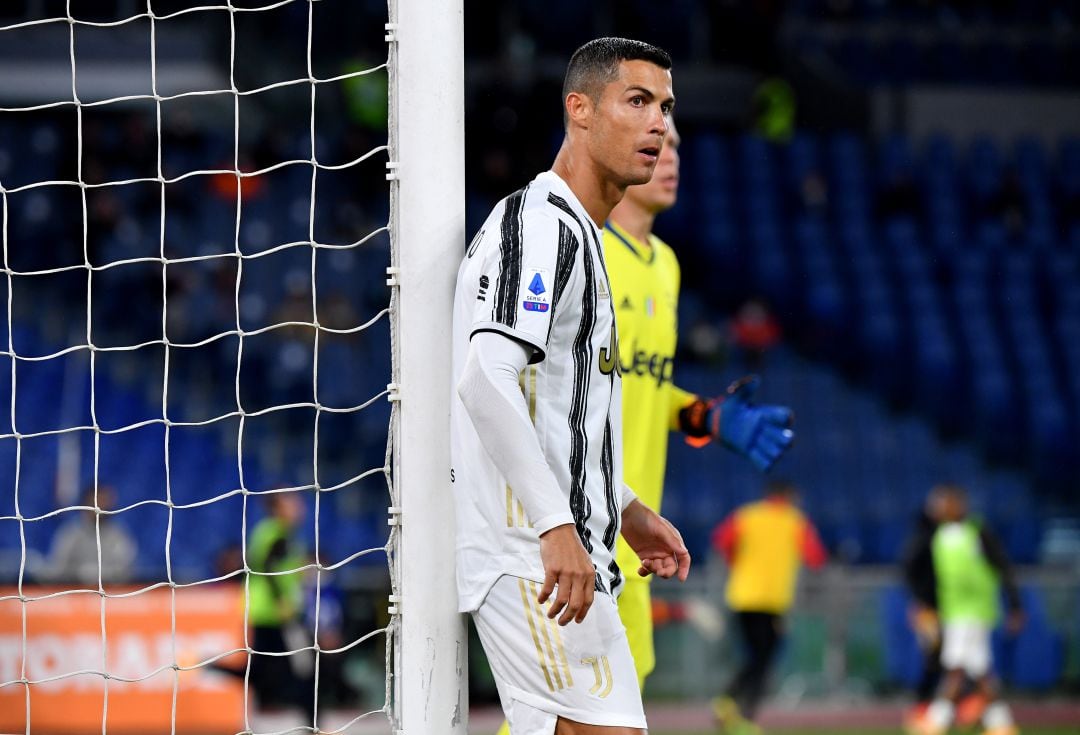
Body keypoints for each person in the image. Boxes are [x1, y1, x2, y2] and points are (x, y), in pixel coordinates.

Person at [453, 37, 691, 734]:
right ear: (579, 111)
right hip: (534, 559)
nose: (659, 125)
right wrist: (559, 526)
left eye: (666, 108)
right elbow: (485, 380)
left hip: (565, 558)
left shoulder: (585, 237)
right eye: (639, 102)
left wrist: (626, 508)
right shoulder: (542, 224)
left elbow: (553, 413)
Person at [601, 119, 794, 692]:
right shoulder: (582, 250)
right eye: (657, 146)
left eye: (678, 146)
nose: (671, 157)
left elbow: (642, 387)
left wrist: (706, 416)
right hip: (573, 529)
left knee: (612, 711)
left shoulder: (665, 265)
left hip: (634, 538)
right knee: (557, 716)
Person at [710, 479, 827, 734]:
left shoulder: (746, 515)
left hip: (742, 596)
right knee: (763, 660)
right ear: (789, 495)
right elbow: (816, 557)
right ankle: (744, 715)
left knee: (755, 656)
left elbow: (721, 541)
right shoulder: (795, 521)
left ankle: (727, 703)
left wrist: (737, 561)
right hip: (773, 602)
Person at [911, 484, 1024, 735]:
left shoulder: (977, 532)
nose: (940, 507)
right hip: (954, 612)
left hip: (973, 612)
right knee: (980, 670)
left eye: (946, 503)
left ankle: (936, 721)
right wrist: (925, 606)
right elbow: (928, 575)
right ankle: (1001, 724)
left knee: (955, 667)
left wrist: (1015, 604)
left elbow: (1002, 566)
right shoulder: (938, 536)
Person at [245, 490, 316, 724]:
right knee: (303, 668)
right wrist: (282, 601)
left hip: (272, 612)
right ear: (277, 508)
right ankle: (313, 725)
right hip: (276, 612)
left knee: (265, 670)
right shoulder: (275, 533)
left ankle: (211, 666)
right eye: (292, 501)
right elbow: (267, 567)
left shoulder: (281, 533)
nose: (299, 505)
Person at [40, 484, 136, 585]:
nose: (102, 506)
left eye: (105, 501)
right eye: (98, 501)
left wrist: (100, 574)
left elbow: (125, 569)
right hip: (74, 592)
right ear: (87, 503)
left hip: (110, 593)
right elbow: (58, 567)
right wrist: (79, 574)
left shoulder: (118, 535)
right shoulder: (71, 533)